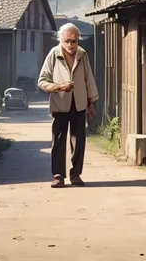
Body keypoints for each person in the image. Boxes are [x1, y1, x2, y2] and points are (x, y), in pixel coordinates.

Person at [38, 23, 98, 188]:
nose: (71, 45)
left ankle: (75, 173)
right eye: (67, 41)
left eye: (74, 41)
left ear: (78, 40)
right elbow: (42, 81)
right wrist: (58, 87)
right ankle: (58, 175)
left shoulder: (82, 55)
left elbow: (89, 79)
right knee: (58, 140)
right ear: (61, 40)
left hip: (79, 104)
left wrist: (91, 103)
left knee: (79, 141)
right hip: (60, 104)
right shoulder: (54, 54)